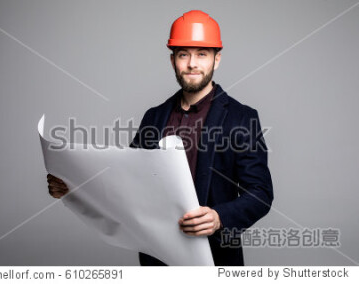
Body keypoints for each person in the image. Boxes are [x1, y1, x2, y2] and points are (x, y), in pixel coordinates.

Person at [47, 10, 273, 266]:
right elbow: (123, 182)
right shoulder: (153, 118)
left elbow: (261, 193)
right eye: (183, 54)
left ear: (216, 59)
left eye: (202, 54)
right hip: (157, 260)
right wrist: (73, 187)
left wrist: (220, 217)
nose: (192, 64)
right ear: (172, 60)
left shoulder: (241, 118)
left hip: (215, 258)